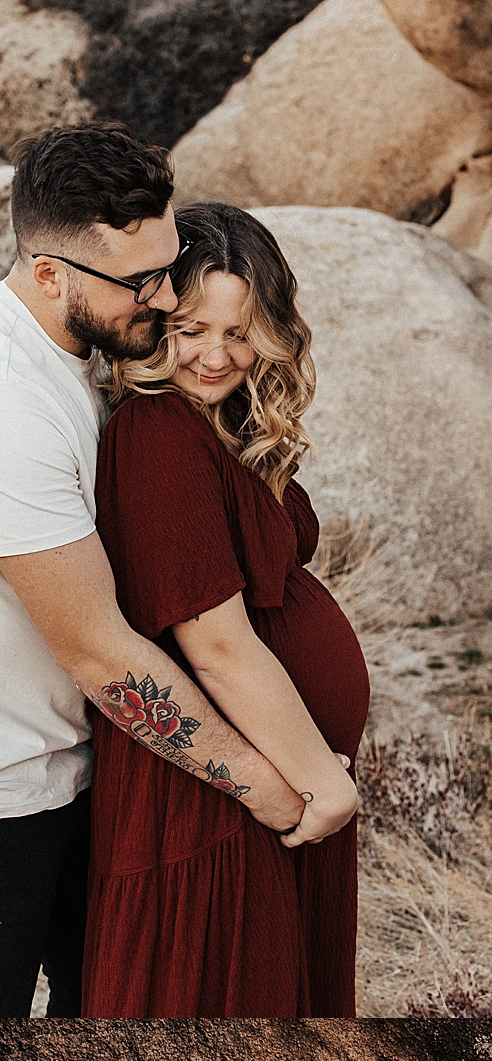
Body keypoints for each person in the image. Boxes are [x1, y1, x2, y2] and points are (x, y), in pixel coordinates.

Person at [0, 124, 352, 1021]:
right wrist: (268, 783)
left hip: (66, 765)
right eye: (144, 282)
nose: (162, 298)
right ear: (51, 273)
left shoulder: (84, 347)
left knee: (106, 1005)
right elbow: (101, 654)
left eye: (165, 267)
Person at [83, 204, 367, 1016]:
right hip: (211, 798)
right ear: (156, 317)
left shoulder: (218, 421)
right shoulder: (156, 438)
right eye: (193, 329)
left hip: (269, 783)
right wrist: (323, 784)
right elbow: (215, 647)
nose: (216, 355)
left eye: (239, 333)